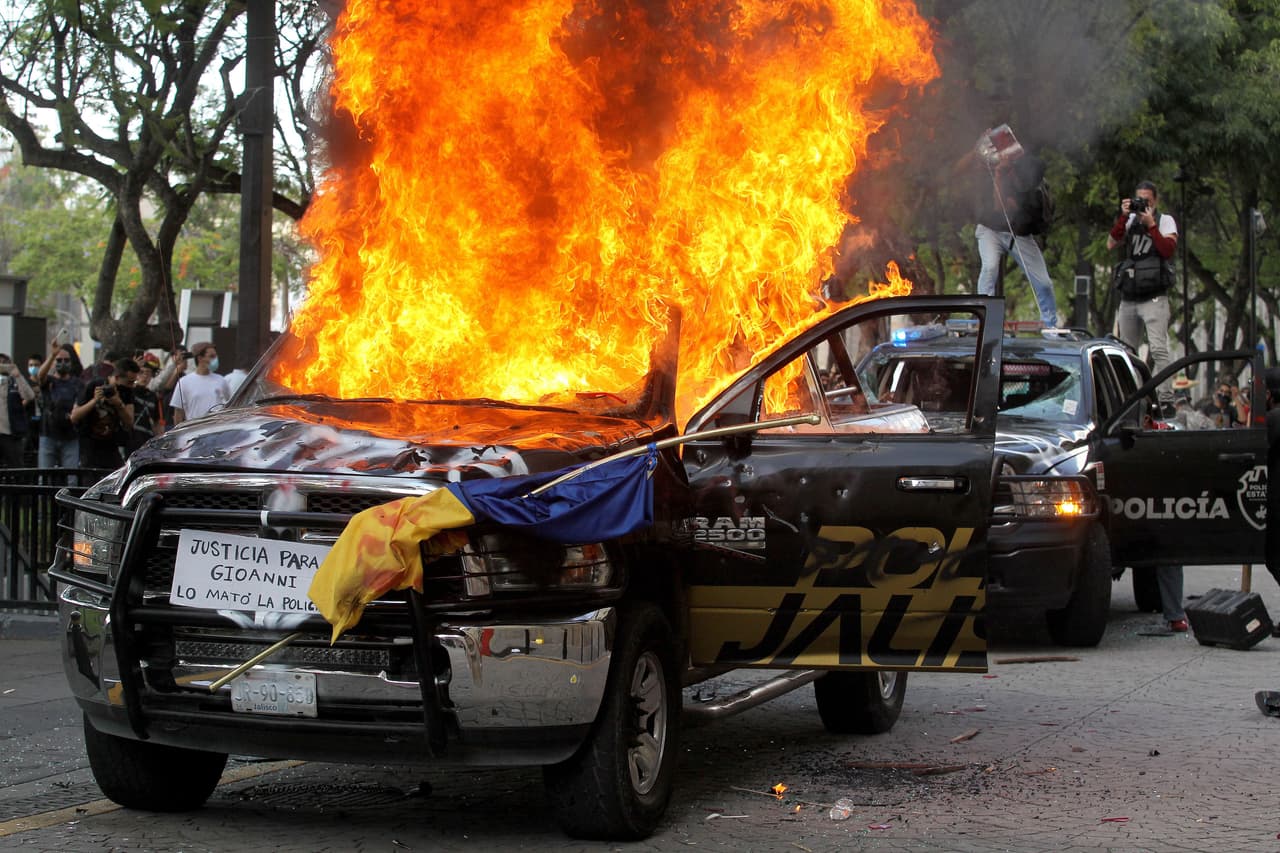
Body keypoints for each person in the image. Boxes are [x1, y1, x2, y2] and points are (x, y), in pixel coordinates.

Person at [970, 127, 1059, 328]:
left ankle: (1050, 323)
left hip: (1018, 235)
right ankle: (983, 316)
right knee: (990, 267)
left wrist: (1002, 180)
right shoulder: (1009, 170)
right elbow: (994, 207)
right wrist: (1000, 173)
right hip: (990, 230)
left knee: (1044, 283)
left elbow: (1006, 208)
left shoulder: (1035, 197)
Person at [1109, 180, 1177, 416]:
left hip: (1154, 296)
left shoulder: (1164, 220)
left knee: (1158, 349)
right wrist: (1123, 217)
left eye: (1147, 201)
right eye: (1139, 200)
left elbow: (1168, 250)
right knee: (1127, 351)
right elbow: (1111, 243)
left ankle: (1166, 398)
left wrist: (1151, 226)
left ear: (1155, 201)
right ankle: (1132, 396)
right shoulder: (1129, 221)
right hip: (1129, 296)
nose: (1143, 205)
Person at [70, 358, 138, 470]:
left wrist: (119, 404)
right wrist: (94, 401)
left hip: (111, 445)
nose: (132, 386)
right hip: (89, 445)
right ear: (116, 378)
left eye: (134, 382)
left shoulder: (127, 392)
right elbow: (74, 416)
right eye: (129, 382)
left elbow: (129, 423)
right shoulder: (94, 386)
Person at [36, 341, 85, 470]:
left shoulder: (78, 383)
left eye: (66, 360)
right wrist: (52, 355)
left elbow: (79, 405)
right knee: (45, 476)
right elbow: (40, 376)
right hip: (48, 433)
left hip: (70, 435)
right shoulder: (50, 381)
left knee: (71, 477)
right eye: (59, 360)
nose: (62, 363)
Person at [169, 343, 229, 424]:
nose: (216, 359)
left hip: (217, 431)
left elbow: (230, 406)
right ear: (200, 358)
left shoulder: (221, 380)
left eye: (216, 356)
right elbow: (178, 411)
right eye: (212, 356)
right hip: (194, 432)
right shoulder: (184, 382)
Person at [0, 354, 35, 467]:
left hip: (11, 434)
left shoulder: (14, 382)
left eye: (5, 363)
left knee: (16, 467)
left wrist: (17, 375)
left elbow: (29, 396)